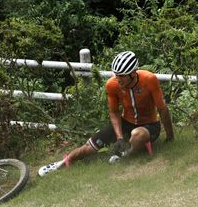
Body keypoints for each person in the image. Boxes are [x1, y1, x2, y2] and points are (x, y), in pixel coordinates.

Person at [38, 51, 174, 176]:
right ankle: (63, 163)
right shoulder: (112, 84)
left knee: (137, 135)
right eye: (116, 75)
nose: (118, 79)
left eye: (121, 76)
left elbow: (162, 109)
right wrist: (120, 137)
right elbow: (114, 112)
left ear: (133, 73)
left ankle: (124, 156)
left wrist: (170, 136)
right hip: (126, 122)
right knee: (89, 148)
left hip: (149, 124)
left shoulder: (149, 79)